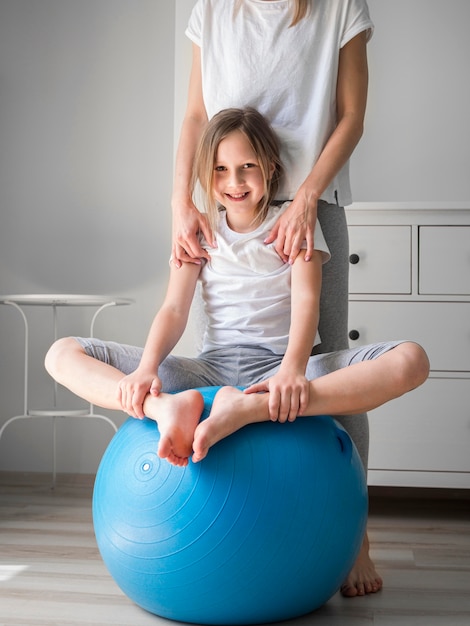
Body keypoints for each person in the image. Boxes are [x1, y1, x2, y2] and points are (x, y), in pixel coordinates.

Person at [45, 108, 429, 598]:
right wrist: (146, 371)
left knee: (411, 359)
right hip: (208, 367)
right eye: (222, 170)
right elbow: (173, 310)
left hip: (282, 367)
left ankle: (248, 406)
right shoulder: (200, 231)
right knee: (62, 351)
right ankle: (166, 409)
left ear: (269, 167)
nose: (234, 181)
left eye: (247, 167)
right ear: (208, 176)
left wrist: (291, 372)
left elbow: (308, 304)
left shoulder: (294, 226)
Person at [171, 0, 377, 597]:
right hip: (233, 207)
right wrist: (180, 203)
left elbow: (351, 115)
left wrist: (309, 194)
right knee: (222, 349)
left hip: (311, 208)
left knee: (330, 364)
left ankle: (357, 535)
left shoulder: (340, 8)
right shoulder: (210, 10)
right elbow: (194, 116)